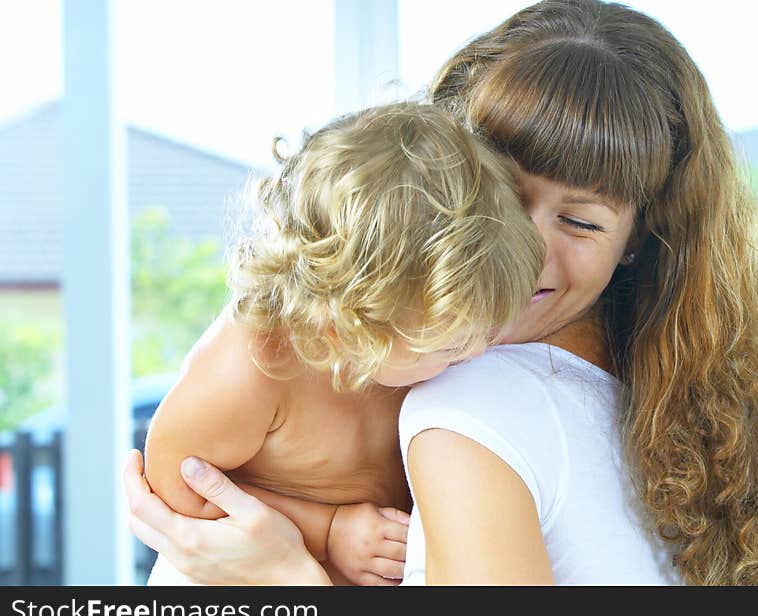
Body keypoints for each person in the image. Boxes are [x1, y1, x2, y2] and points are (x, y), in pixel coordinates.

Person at [125, 0, 758, 585]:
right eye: (500, 195)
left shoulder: (482, 396)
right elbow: (174, 494)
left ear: (644, 236)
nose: (526, 249)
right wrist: (313, 544)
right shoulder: (341, 343)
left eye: (580, 220)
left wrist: (293, 574)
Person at [140, 101, 544, 585]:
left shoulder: (405, 345)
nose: (477, 351)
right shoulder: (254, 363)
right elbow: (175, 486)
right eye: (449, 346)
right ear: (347, 326)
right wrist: (327, 530)